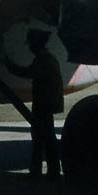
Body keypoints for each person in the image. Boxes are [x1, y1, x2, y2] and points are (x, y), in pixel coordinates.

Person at [26, 31, 63, 179]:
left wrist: (8, 64)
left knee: (41, 139)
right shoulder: (47, 59)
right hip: (46, 105)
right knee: (46, 139)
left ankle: (42, 171)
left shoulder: (44, 61)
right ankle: (51, 170)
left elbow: (28, 73)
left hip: (43, 106)